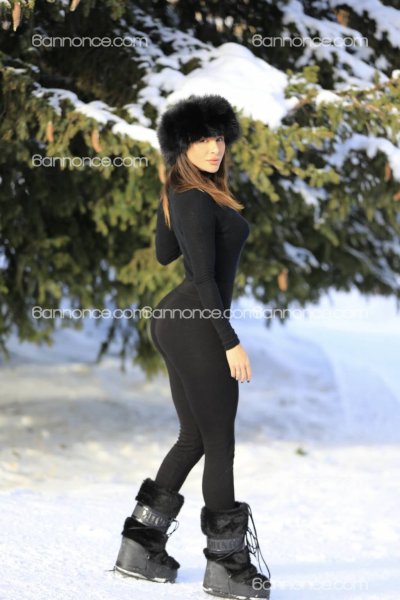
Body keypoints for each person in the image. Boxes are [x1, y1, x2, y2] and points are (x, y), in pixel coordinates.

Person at [114, 94, 272, 599]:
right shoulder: (193, 197)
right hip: (196, 322)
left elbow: (164, 252)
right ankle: (227, 567)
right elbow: (201, 277)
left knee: (194, 439)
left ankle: (140, 547)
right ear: (182, 145)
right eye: (202, 139)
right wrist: (230, 342)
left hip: (176, 320)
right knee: (219, 442)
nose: (214, 148)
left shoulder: (188, 192)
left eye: (219, 137)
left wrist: (171, 197)